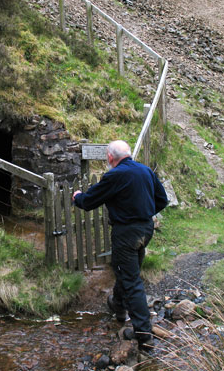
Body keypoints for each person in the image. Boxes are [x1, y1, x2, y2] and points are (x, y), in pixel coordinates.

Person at [72, 140, 168, 351]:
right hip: (145, 230)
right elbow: (162, 200)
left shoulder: (115, 175)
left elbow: (89, 202)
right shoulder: (145, 171)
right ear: (129, 154)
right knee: (126, 271)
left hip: (126, 233)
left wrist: (77, 196)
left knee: (132, 281)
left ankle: (144, 336)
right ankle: (118, 306)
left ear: (109, 157)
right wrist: (144, 212)